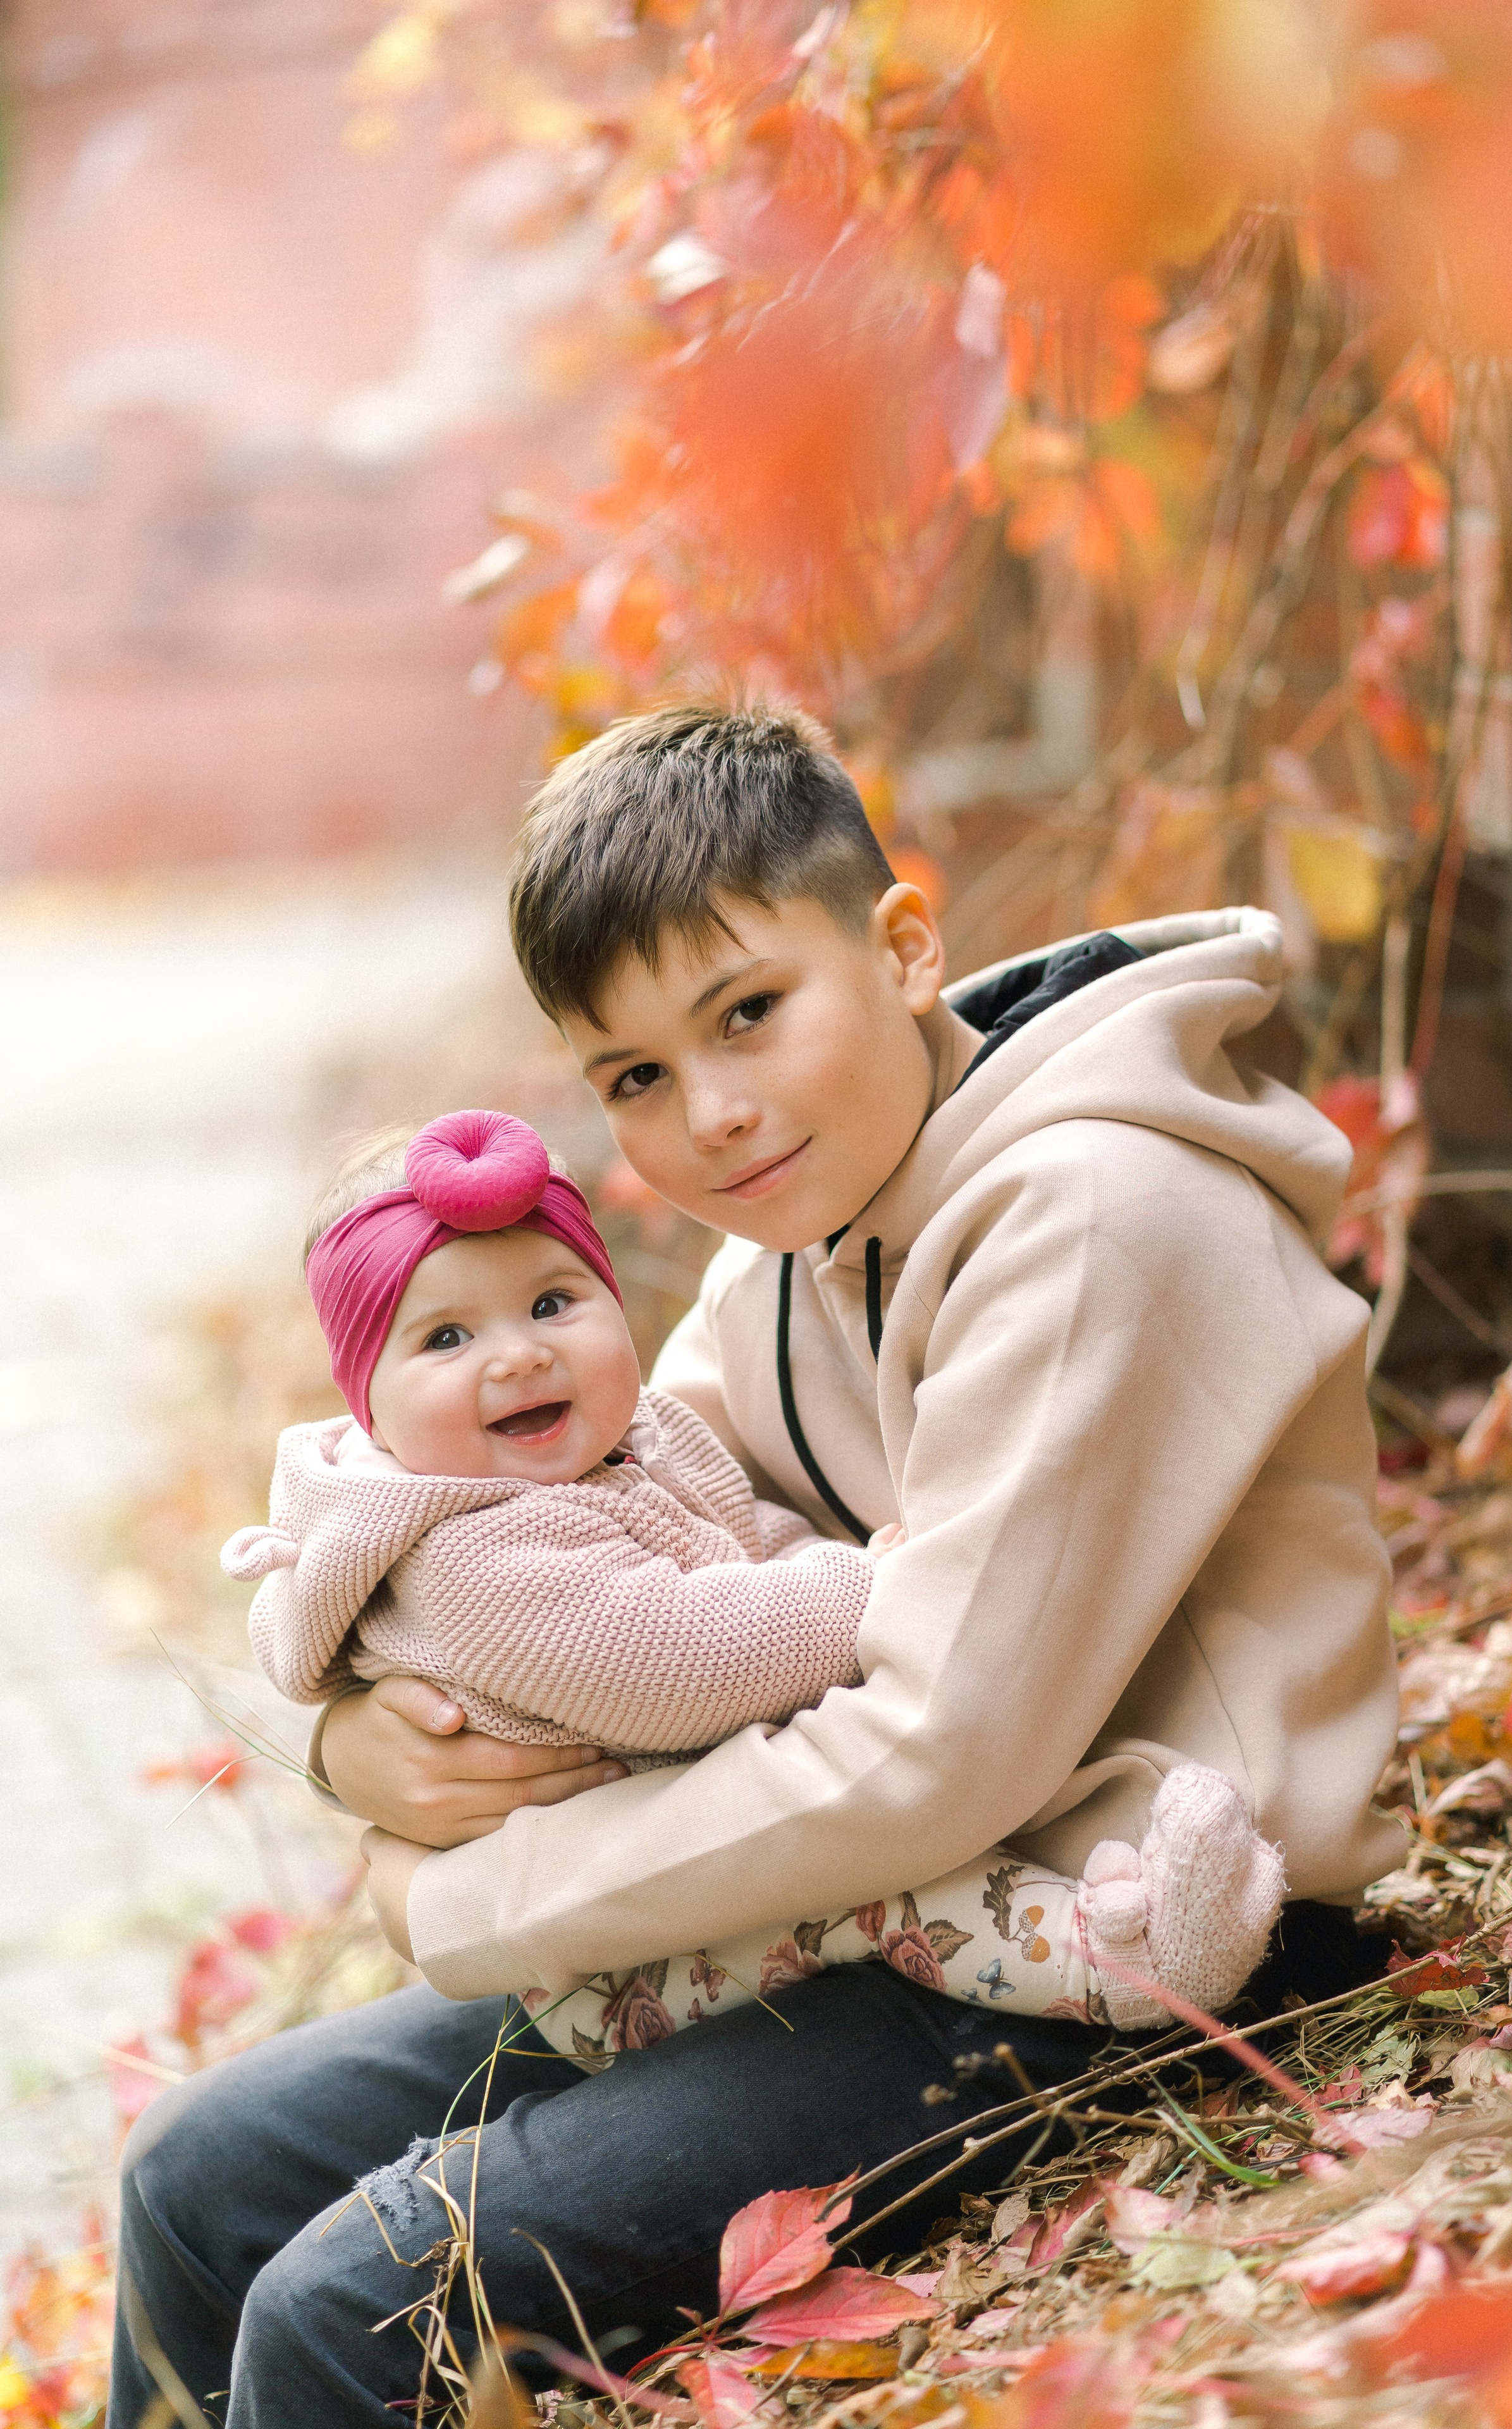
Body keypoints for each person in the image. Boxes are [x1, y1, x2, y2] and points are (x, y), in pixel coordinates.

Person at [111, 701, 1402, 2428]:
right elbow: (565, 1574)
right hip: (864, 1916)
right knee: (192, 2177)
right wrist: (357, 1753)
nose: (711, 1116)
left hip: (1120, 1940)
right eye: (636, 1077)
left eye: (747, 1014)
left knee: (353, 2304)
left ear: (903, 948)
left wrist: (462, 1900)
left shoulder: (1096, 1217)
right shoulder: (798, 1234)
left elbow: (936, 1755)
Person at [234, 1103, 1283, 2059]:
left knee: (891, 1855)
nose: (517, 1357)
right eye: (447, 1338)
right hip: (613, 1943)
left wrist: (815, 1563)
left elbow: (744, 1542)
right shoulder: (463, 1554)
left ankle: (1106, 1910)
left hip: (695, 1848)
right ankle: (1129, 1972)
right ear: (367, 1405)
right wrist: (870, 1587)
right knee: (885, 1898)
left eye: (552, 1302)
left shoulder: (634, 1440)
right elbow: (676, 1661)